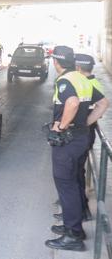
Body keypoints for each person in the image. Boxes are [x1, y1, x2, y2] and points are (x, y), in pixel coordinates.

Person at [44, 46, 93, 251]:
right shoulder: (82, 78)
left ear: (57, 62)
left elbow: (72, 103)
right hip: (81, 137)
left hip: (68, 141)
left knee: (66, 185)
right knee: (72, 183)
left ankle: (73, 235)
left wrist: (61, 128)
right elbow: (102, 103)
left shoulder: (65, 81)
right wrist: (85, 123)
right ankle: (75, 229)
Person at [73, 54, 109, 220]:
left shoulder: (85, 84)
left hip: (83, 134)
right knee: (78, 170)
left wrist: (85, 122)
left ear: (78, 68)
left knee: (76, 172)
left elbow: (101, 107)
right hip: (87, 133)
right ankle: (80, 207)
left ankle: (82, 209)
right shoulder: (96, 83)